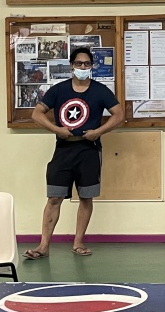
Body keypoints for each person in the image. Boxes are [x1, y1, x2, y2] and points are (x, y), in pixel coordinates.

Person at [26, 46, 125, 259]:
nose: (82, 67)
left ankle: (78, 243)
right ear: (72, 66)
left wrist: (98, 132)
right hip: (64, 149)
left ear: (91, 66)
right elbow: (37, 114)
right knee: (54, 197)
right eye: (79, 63)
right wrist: (56, 130)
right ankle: (43, 246)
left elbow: (119, 115)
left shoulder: (100, 90)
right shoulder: (59, 90)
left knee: (86, 197)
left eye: (87, 64)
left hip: (89, 150)